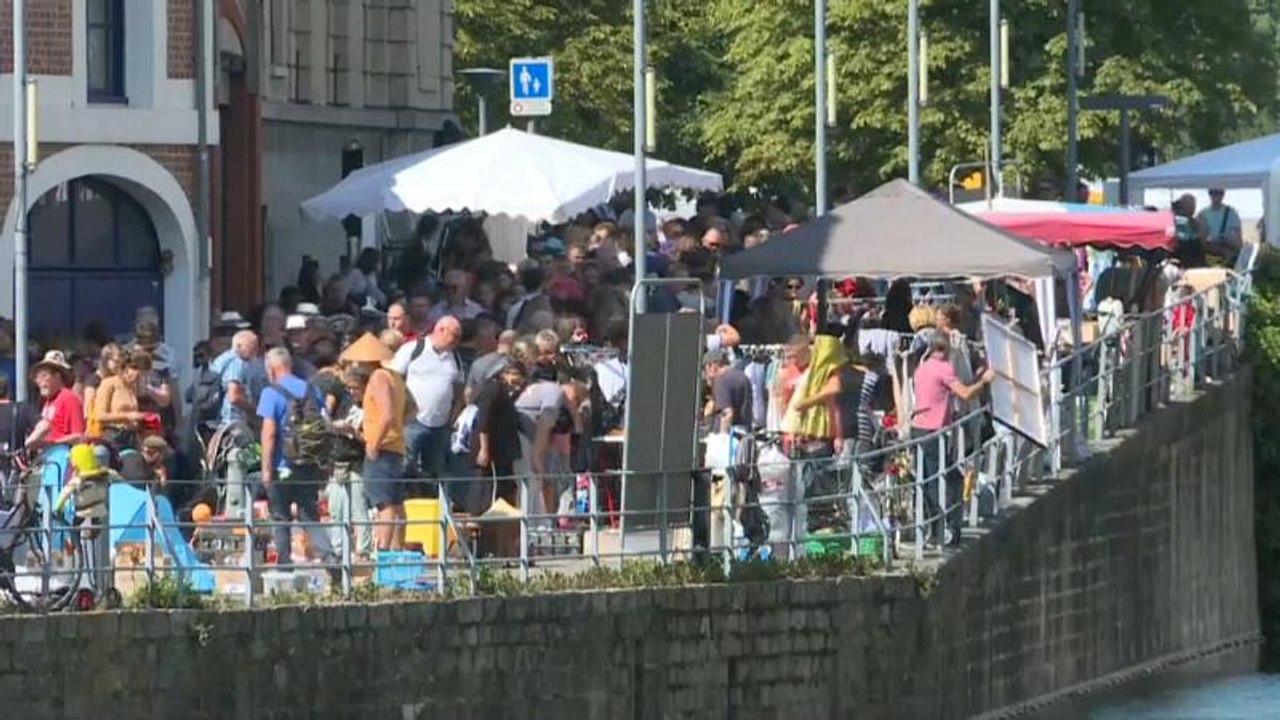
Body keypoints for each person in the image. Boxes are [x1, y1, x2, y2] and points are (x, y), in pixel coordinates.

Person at [911, 335, 995, 548]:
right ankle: (940, 530)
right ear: (946, 349)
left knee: (932, 480)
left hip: (918, 429)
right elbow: (965, 394)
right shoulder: (944, 368)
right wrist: (984, 382)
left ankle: (937, 528)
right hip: (933, 432)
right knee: (940, 481)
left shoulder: (921, 368)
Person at [256, 347, 335, 568]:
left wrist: (266, 469)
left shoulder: (270, 393)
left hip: (282, 465)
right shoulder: (311, 389)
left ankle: (284, 565)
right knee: (309, 515)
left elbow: (269, 434)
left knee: (280, 517)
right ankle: (330, 558)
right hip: (309, 463)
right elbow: (324, 423)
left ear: (271, 369)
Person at [341, 334, 409, 551]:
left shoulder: (378, 377)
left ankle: (384, 550)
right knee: (396, 502)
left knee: (384, 503)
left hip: (383, 447)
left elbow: (387, 414)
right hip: (395, 445)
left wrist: (374, 443)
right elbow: (412, 408)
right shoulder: (395, 377)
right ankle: (397, 551)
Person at [392, 316, 464, 491]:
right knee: (405, 467)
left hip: (440, 425)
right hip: (412, 422)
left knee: (434, 472)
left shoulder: (455, 357)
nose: (456, 341)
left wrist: (453, 417)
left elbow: (459, 389)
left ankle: (429, 503)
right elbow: (393, 379)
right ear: (440, 330)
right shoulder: (413, 349)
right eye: (454, 336)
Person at [91, 350, 156, 451]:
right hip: (114, 436)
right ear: (129, 368)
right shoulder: (109, 384)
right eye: (139, 375)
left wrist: (144, 418)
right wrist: (128, 416)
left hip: (132, 436)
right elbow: (100, 415)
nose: (139, 380)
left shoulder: (132, 387)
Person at [26, 350, 86, 447]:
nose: (39, 381)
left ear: (58, 376)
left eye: (44, 376)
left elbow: (78, 436)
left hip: (61, 454)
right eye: (37, 377)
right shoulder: (47, 401)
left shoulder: (69, 398)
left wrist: (50, 444)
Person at [211, 330, 262, 431]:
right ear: (239, 346)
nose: (256, 350)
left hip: (218, 421)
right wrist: (256, 409)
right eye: (253, 346)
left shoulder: (221, 360)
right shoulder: (237, 363)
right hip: (232, 422)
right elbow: (234, 397)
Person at [703, 351, 753, 434]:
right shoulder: (743, 376)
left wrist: (723, 437)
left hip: (730, 434)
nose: (706, 373)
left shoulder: (721, 379)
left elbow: (727, 413)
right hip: (743, 431)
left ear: (713, 365)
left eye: (706, 368)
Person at [1197, 188, 1244, 263]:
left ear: (1223, 194)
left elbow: (1238, 241)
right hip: (1208, 256)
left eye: (1219, 193)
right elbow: (1200, 239)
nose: (1216, 196)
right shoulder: (1202, 214)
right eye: (1213, 193)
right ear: (1209, 194)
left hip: (1226, 256)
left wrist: (1228, 244)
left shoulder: (1231, 213)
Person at [82, 343, 123, 426]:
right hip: (99, 428)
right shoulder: (93, 381)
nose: (119, 365)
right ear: (105, 360)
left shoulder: (117, 380)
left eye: (121, 362)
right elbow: (88, 410)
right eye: (116, 362)